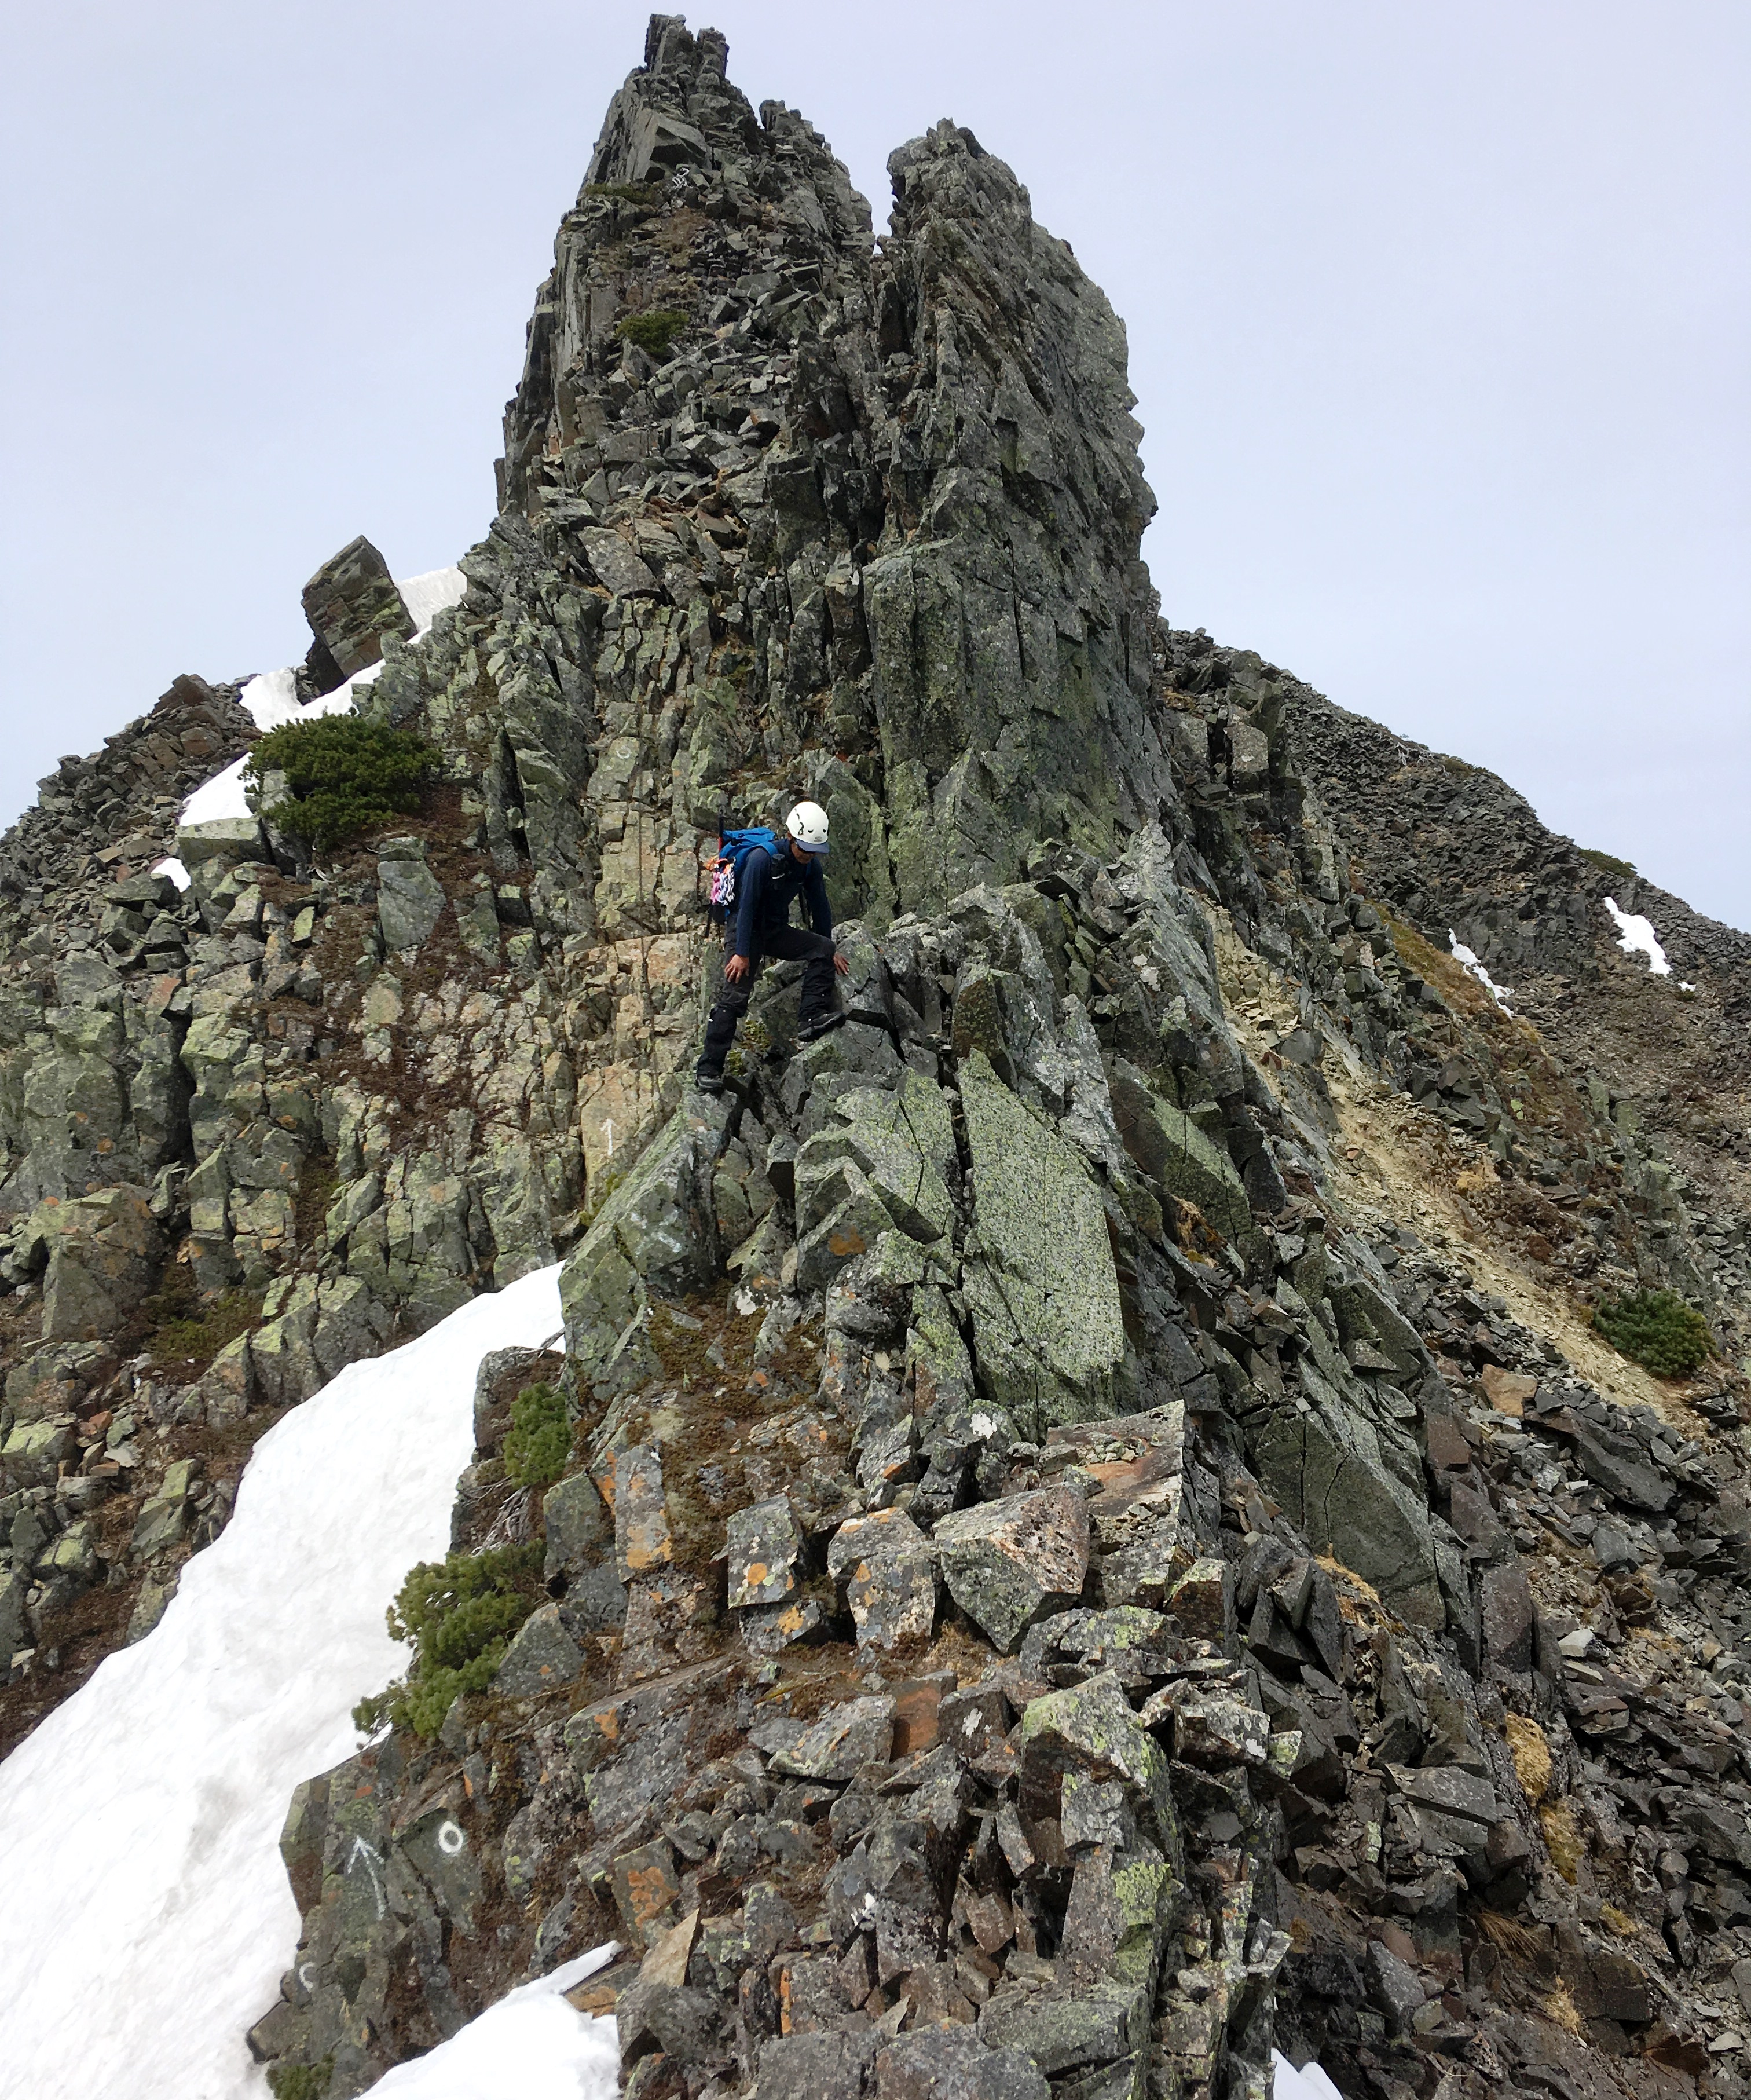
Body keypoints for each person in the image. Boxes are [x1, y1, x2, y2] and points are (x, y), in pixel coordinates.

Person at [695, 800, 849, 1093]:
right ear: (791, 837)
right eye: (804, 848)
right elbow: (747, 907)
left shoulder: (810, 867)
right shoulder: (761, 860)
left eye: (814, 850)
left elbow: (821, 908)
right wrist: (741, 953)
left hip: (774, 931)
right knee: (735, 994)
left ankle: (811, 1017)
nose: (808, 855)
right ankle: (709, 1069)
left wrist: (828, 947)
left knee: (822, 950)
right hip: (745, 931)